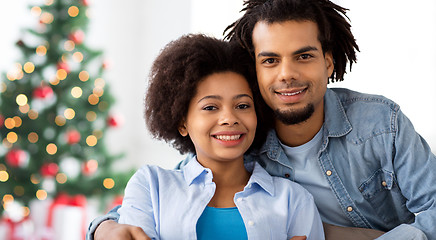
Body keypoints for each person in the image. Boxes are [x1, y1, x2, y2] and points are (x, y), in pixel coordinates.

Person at [88, 0, 436, 239]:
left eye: (303, 56)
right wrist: (104, 227)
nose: (287, 74)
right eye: (270, 60)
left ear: (328, 63)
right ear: (254, 70)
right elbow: (172, 185)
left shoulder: (380, 123)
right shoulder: (244, 138)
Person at [113, 34, 324, 239]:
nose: (229, 118)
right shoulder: (151, 187)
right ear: (182, 122)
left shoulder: (293, 200)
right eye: (210, 107)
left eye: (242, 106)